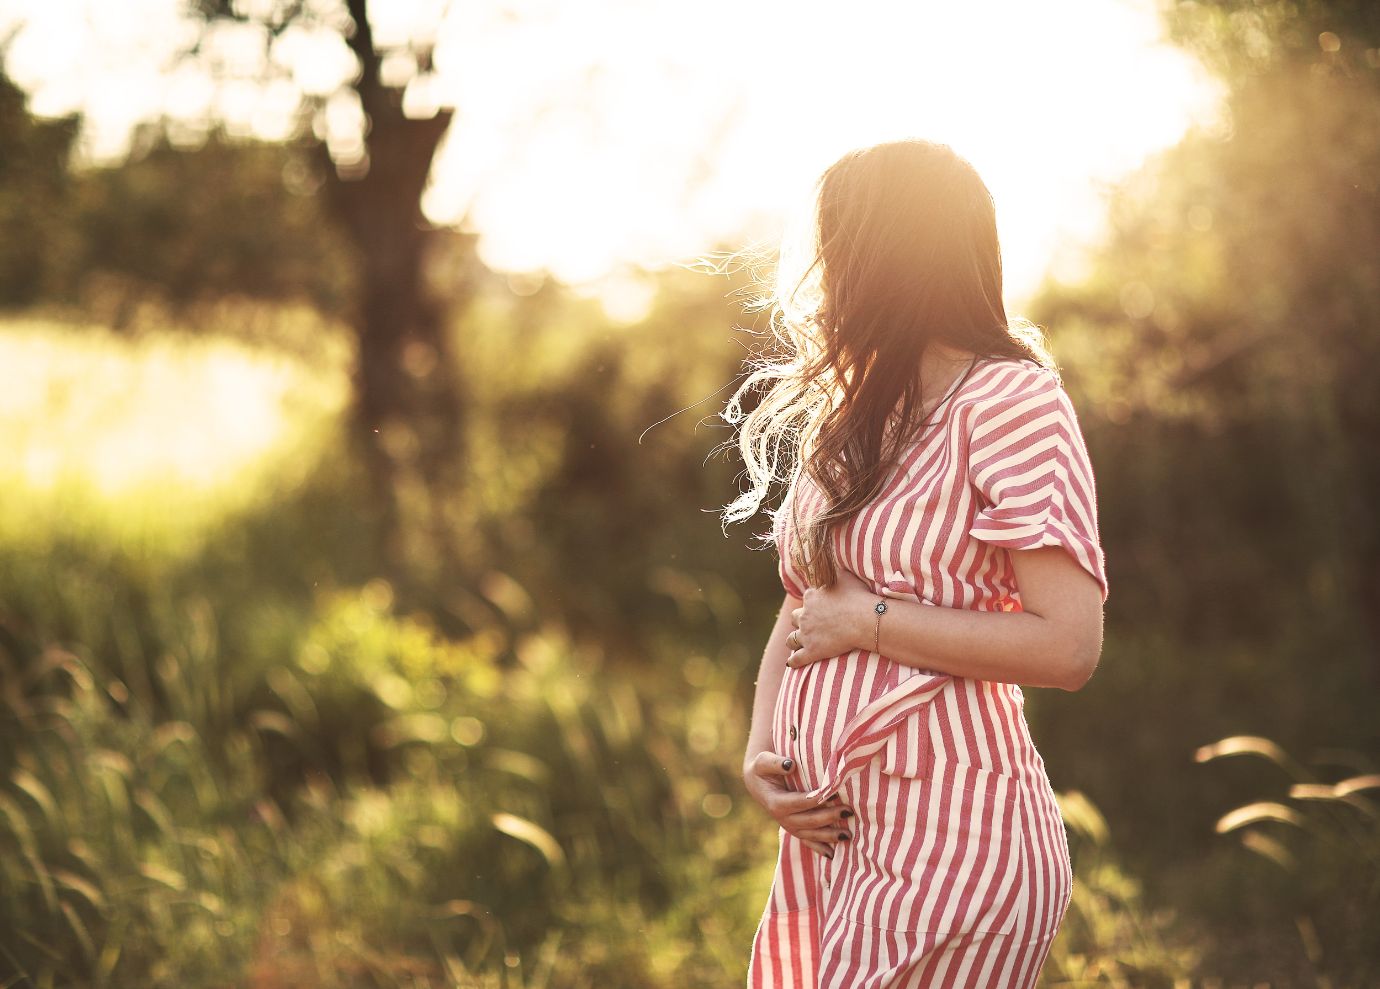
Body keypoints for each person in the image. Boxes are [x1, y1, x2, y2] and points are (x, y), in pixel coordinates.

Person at [721, 139, 1109, 988]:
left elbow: (1069, 646)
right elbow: (802, 604)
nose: (822, 274)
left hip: (957, 839)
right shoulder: (855, 416)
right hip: (845, 840)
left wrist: (872, 621)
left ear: (884, 256)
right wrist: (761, 750)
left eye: (837, 246)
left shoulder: (1010, 400)